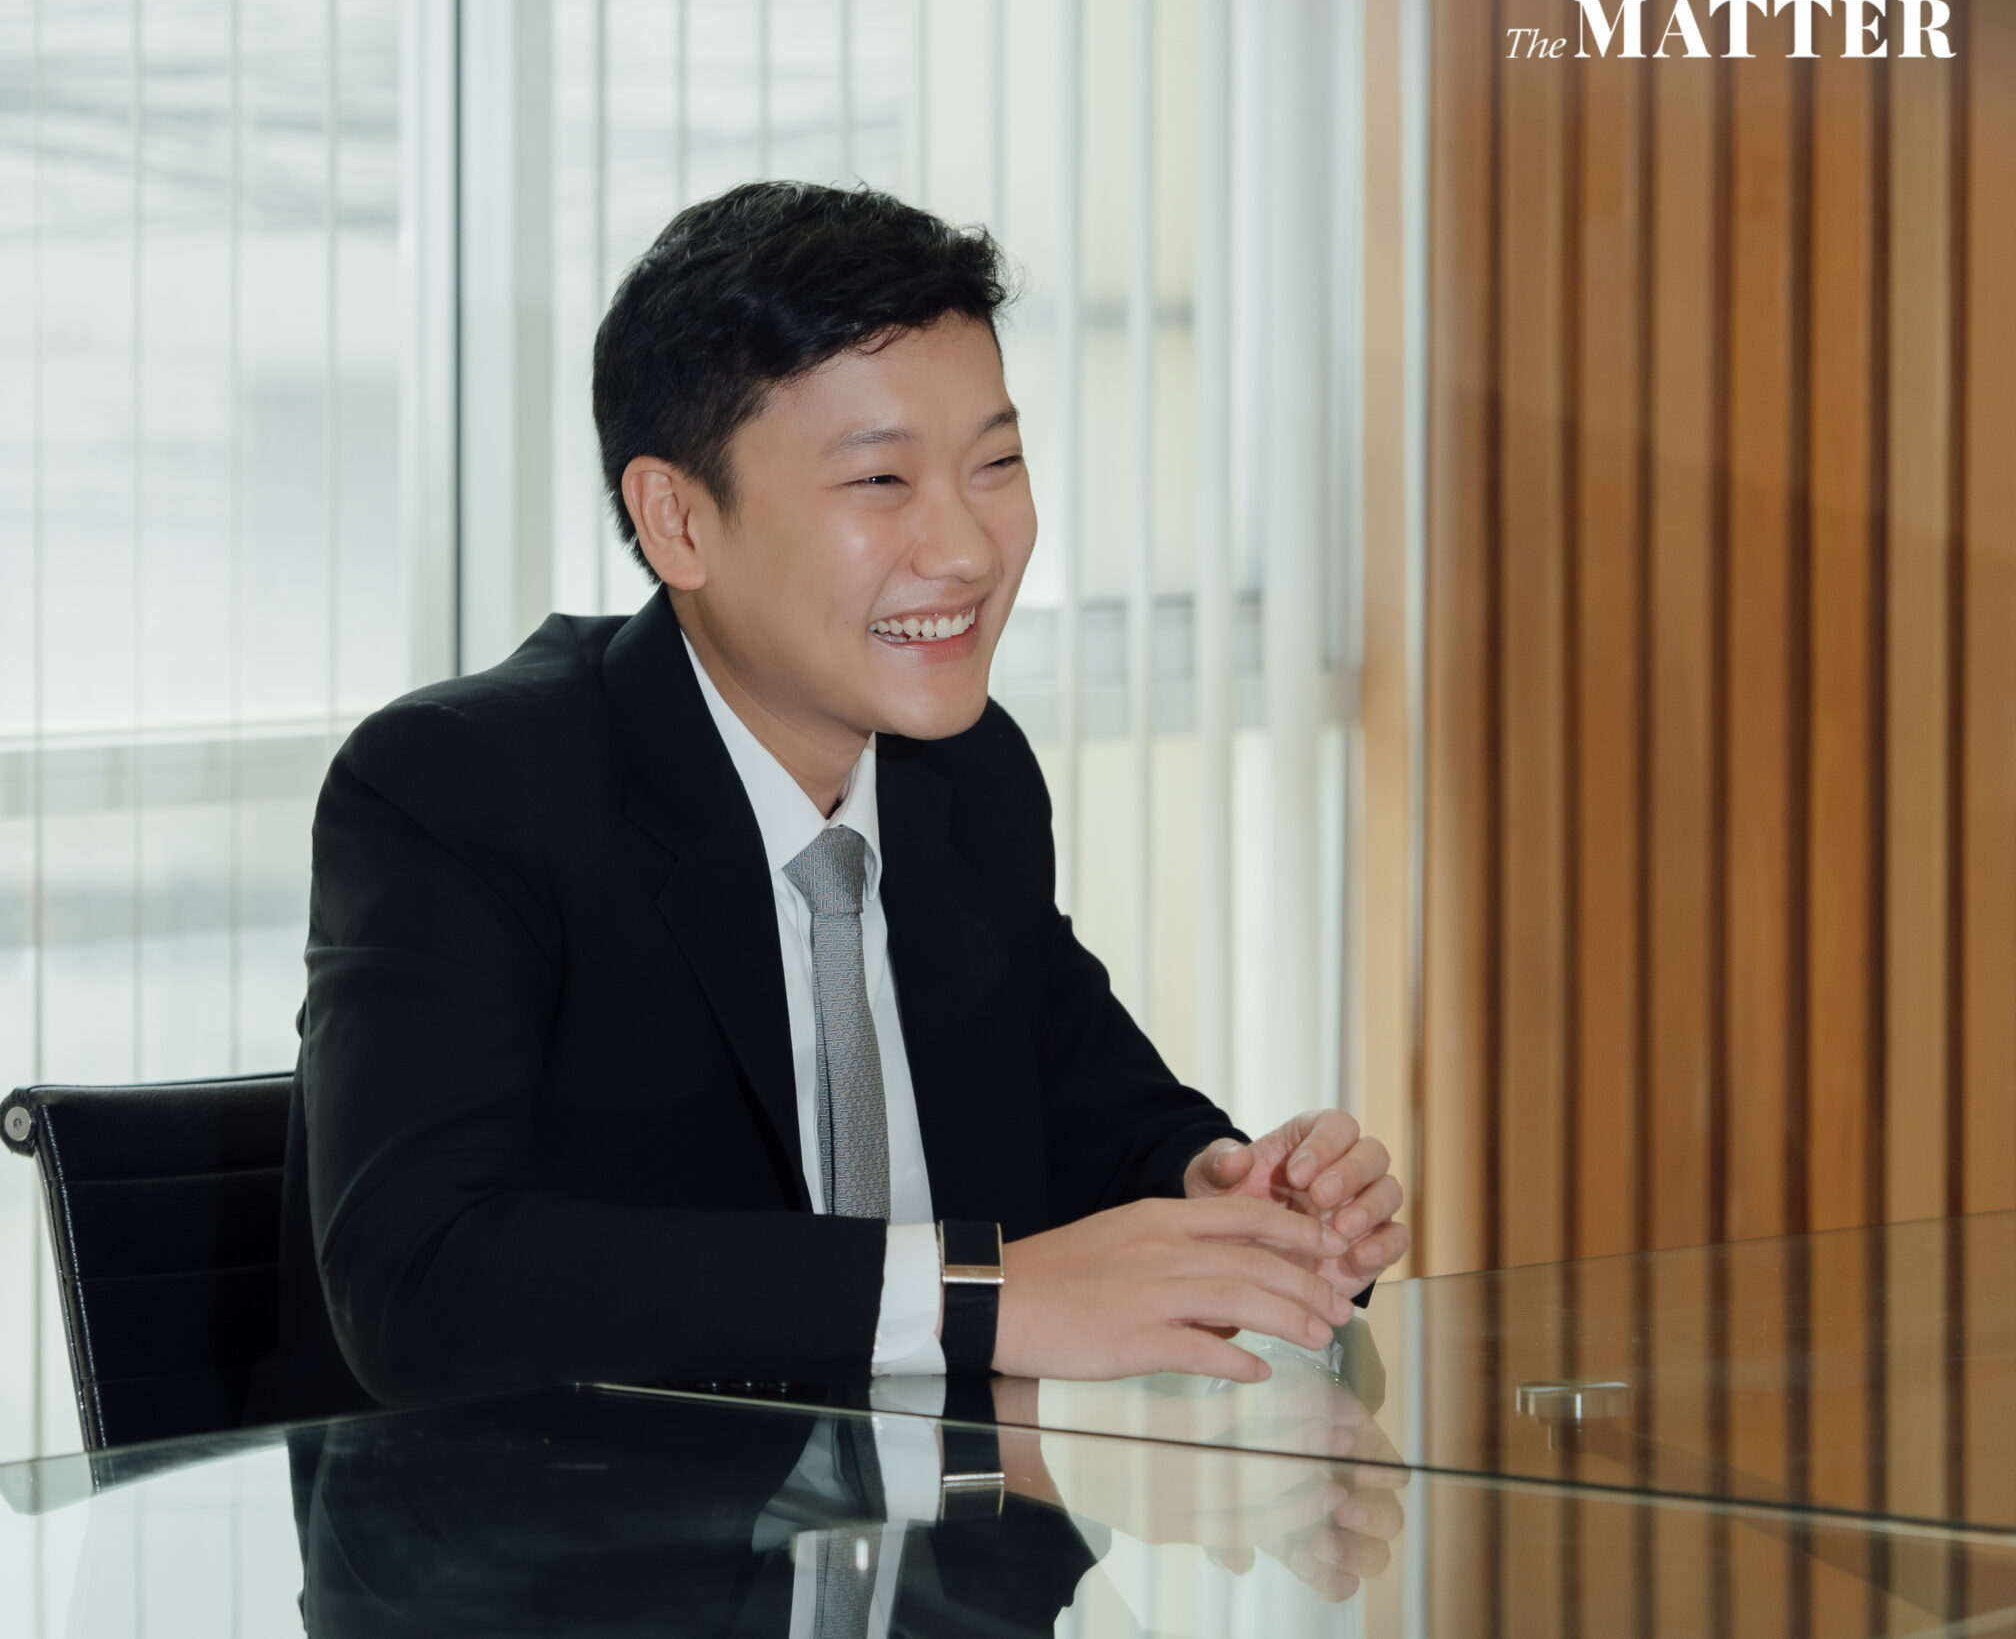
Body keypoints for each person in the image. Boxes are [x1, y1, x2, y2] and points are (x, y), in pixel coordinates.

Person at [245, 181, 1407, 1422]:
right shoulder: (462, 789)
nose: (967, 551)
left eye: (995, 464)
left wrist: (1225, 1195)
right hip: (575, 1528)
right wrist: (973, 1297)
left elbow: (1080, 1102)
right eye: (880, 481)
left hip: (947, 1532)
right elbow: (420, 1283)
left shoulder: (964, 776)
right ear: (677, 520)